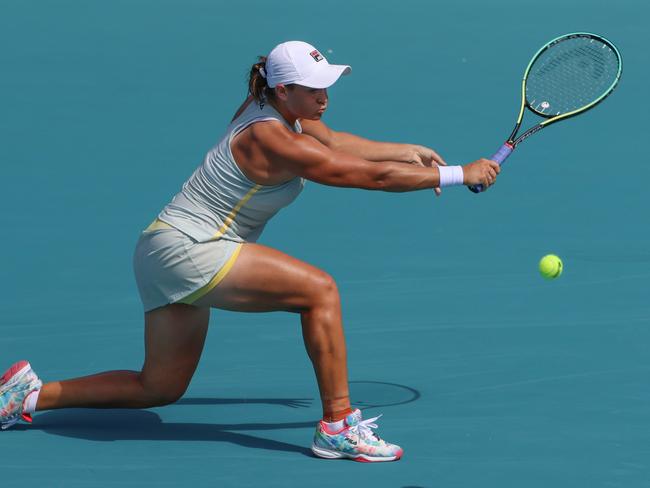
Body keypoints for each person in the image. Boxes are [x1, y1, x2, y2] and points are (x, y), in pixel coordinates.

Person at [0, 40, 499, 462]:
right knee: (319, 291)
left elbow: (342, 144)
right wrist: (458, 175)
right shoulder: (273, 139)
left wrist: (405, 149)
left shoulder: (278, 112)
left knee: (160, 387)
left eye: (326, 84)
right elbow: (364, 176)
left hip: (160, 248)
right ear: (284, 90)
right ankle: (338, 425)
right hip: (192, 248)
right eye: (314, 87)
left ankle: (29, 395)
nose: (324, 96)